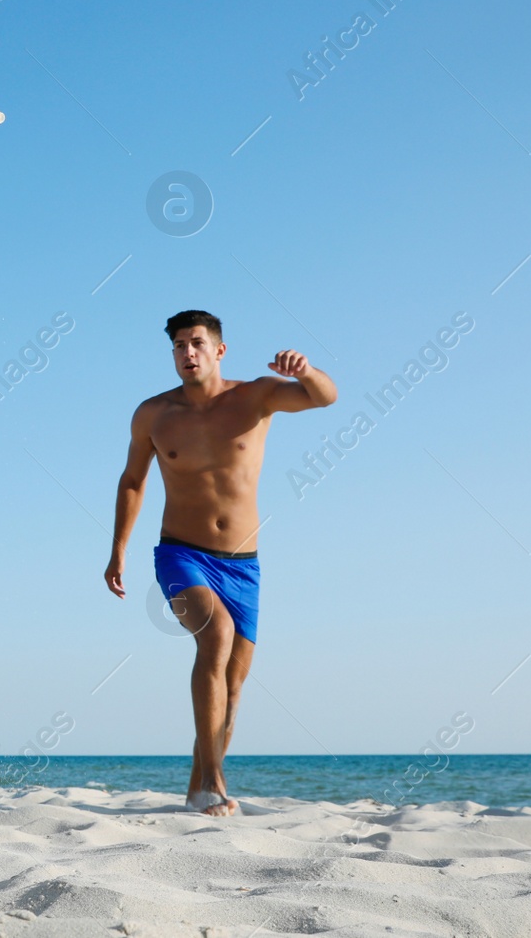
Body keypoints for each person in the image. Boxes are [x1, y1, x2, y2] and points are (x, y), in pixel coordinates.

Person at [103, 310, 336, 816]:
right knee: (215, 635)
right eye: (179, 346)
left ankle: (196, 792)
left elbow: (325, 397)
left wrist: (306, 371)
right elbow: (133, 481)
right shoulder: (153, 415)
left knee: (232, 684)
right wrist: (118, 547)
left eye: (197, 343)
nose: (188, 353)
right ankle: (214, 783)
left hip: (243, 565)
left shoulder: (256, 397)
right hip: (181, 554)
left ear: (219, 350)